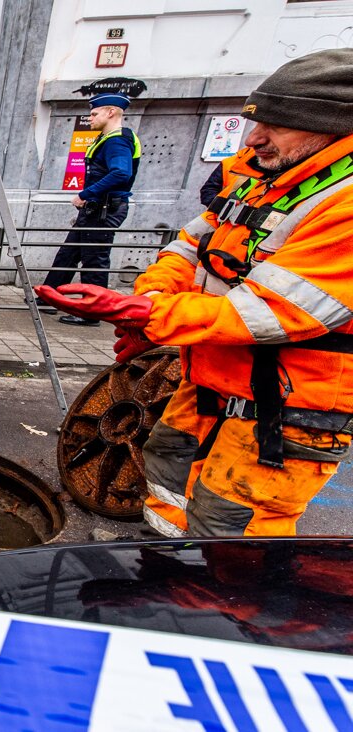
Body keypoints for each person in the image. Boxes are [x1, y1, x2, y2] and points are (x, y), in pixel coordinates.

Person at [35, 48, 353, 538]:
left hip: (284, 407)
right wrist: (147, 306)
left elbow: (272, 312)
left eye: (276, 125)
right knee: (165, 469)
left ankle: (214, 601)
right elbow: (188, 247)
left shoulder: (343, 202)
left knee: (231, 521)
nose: (254, 137)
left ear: (334, 127)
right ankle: (163, 569)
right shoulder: (256, 173)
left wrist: (146, 312)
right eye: (256, 121)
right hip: (208, 377)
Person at [38, 93, 142, 326]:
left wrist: (85, 194)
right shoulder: (107, 139)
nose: (90, 117)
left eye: (94, 113)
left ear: (111, 112)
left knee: (94, 260)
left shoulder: (117, 140)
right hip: (96, 208)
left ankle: (91, 313)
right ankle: (48, 297)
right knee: (69, 254)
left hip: (104, 209)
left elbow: (121, 173)